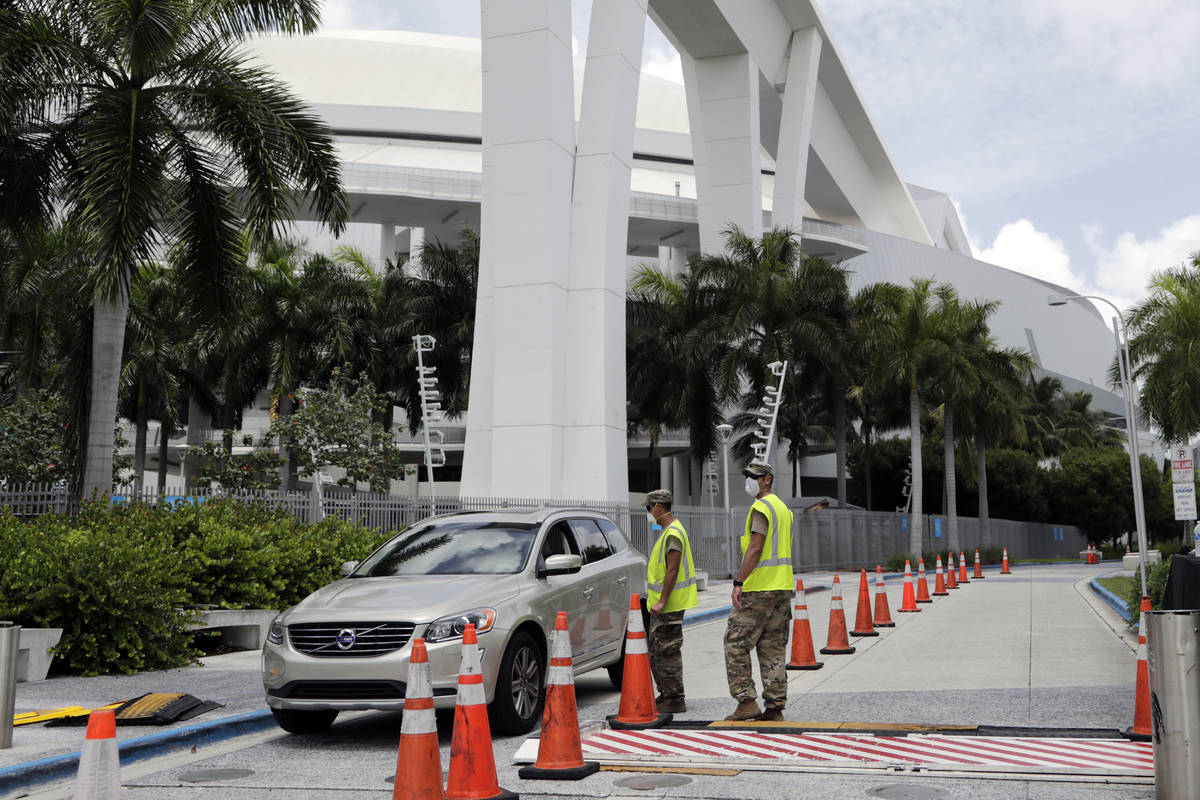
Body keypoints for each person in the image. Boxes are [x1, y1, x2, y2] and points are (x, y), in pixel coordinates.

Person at [724, 461, 794, 721]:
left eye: (754, 477)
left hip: (759, 588)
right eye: (748, 476)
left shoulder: (761, 507)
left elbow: (755, 548)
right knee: (772, 647)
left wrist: (739, 582)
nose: (749, 481)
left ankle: (746, 701)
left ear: (768, 480)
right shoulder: (783, 509)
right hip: (782, 588)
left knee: (735, 643)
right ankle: (775, 708)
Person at [644, 488, 698, 714]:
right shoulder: (667, 531)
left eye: (649, 508)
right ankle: (666, 694)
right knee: (657, 651)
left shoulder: (673, 533)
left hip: (670, 605)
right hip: (664, 605)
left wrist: (662, 601)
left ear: (658, 507)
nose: (648, 513)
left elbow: (672, 569)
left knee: (667, 651)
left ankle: (675, 698)